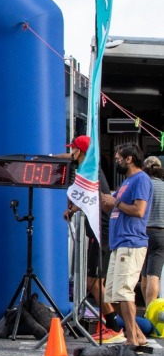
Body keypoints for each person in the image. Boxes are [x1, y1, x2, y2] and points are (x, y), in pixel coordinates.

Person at [62, 135, 121, 340]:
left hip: (101, 233)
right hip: (99, 232)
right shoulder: (91, 168)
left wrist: (73, 208)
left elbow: (91, 197)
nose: (71, 153)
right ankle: (111, 324)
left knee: (93, 282)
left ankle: (114, 326)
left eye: (74, 150)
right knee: (95, 282)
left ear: (81, 152)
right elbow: (90, 197)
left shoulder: (91, 171)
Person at [100, 143, 153, 347]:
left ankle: (132, 338)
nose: (116, 160)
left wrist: (116, 203)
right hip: (119, 243)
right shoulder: (127, 182)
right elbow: (109, 203)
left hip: (131, 242)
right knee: (114, 294)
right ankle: (138, 335)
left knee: (124, 292)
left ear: (129, 158)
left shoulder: (140, 179)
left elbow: (139, 210)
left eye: (118, 157)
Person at [141, 156, 164, 305]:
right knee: (153, 276)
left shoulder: (144, 185)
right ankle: (150, 311)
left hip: (143, 233)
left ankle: (146, 309)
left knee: (144, 275)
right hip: (161, 233)